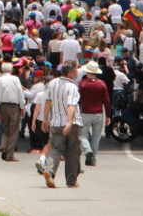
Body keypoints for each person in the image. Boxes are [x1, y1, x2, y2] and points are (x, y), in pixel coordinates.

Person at [42, 59, 83, 189]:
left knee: (56, 148)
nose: (77, 72)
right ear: (70, 73)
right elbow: (71, 105)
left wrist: (45, 119)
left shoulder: (52, 83)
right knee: (72, 151)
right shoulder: (72, 87)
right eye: (76, 70)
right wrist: (70, 122)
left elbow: (48, 102)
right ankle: (71, 180)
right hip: (71, 123)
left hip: (55, 122)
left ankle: (50, 170)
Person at [78, 60, 111, 166]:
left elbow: (79, 99)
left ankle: (87, 150)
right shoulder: (102, 84)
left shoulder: (83, 84)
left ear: (87, 72)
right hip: (99, 112)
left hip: (85, 112)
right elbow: (106, 100)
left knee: (83, 135)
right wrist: (108, 115)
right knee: (96, 137)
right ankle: (94, 158)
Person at [0, 62, 25, 162]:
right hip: (14, 106)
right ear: (11, 70)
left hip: (2, 106)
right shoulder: (15, 79)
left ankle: (3, 146)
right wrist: (22, 107)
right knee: (14, 130)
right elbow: (20, 93)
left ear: (2, 70)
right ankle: (10, 155)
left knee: (5, 129)